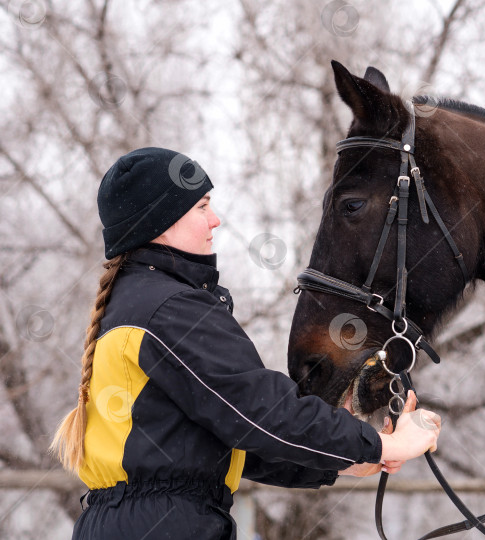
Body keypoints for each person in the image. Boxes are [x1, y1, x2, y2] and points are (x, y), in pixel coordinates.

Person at [50, 147, 441, 540]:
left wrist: (345, 461)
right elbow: (263, 411)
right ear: (161, 221)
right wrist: (381, 445)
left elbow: (224, 439)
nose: (215, 220)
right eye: (202, 207)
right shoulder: (171, 309)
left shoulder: (138, 303)